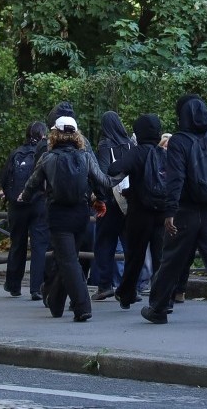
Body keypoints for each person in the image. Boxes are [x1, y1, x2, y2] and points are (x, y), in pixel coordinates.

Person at [141, 94, 207, 327]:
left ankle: (158, 307)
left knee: (172, 259)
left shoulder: (179, 141)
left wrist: (170, 211)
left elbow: (176, 179)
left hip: (185, 210)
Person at [18, 116, 112, 322]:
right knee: (67, 259)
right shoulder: (85, 156)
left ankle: (82, 306)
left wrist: (23, 197)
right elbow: (102, 181)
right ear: (76, 134)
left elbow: (32, 183)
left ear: (54, 134)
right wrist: (106, 192)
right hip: (81, 214)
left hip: (58, 215)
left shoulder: (48, 158)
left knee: (68, 261)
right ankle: (56, 303)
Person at [114, 114, 166, 309]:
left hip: (139, 212)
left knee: (135, 255)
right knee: (160, 256)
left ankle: (126, 293)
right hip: (161, 211)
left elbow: (114, 169)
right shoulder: (163, 153)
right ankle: (163, 299)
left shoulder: (136, 153)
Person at [0, 122, 49, 300]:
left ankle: (13, 284)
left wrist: (11, 195)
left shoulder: (16, 153)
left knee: (17, 243)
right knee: (39, 246)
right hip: (38, 204)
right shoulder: (43, 154)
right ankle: (37, 287)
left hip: (16, 205)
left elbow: (4, 178)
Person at [92, 111, 133, 301]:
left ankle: (104, 285)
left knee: (104, 244)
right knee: (129, 245)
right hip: (129, 200)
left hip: (110, 201)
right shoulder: (129, 144)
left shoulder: (105, 144)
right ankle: (130, 286)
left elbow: (102, 174)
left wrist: (99, 197)